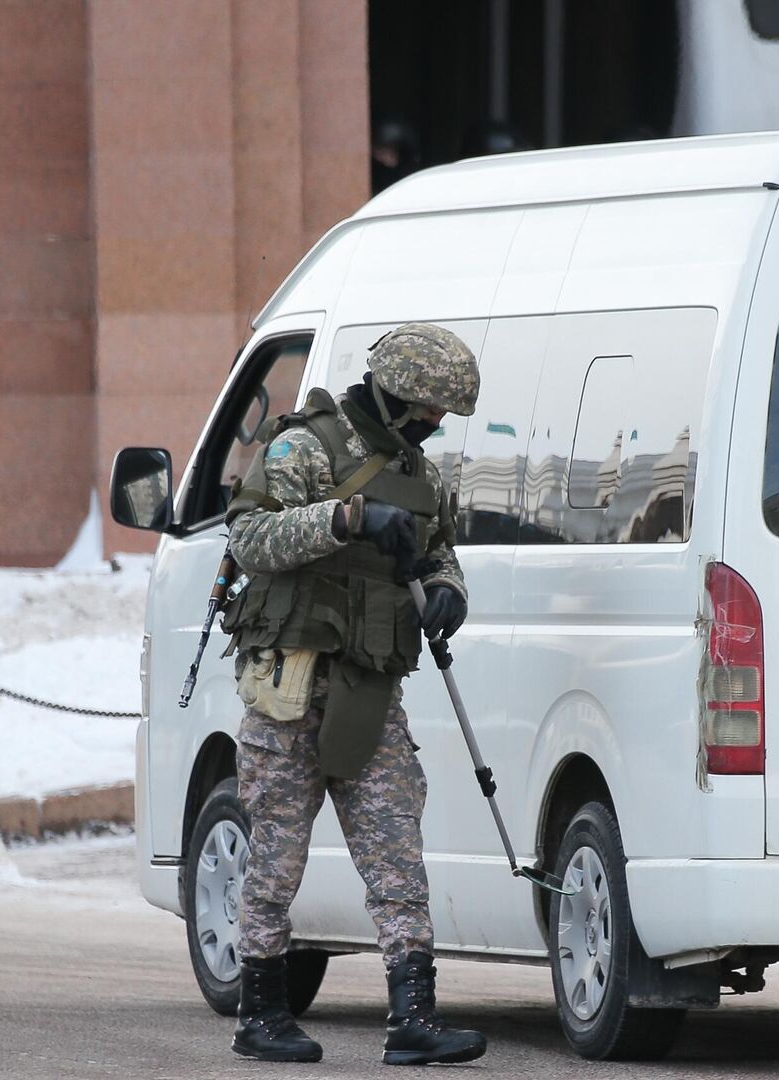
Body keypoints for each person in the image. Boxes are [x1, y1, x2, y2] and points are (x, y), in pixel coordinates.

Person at [221, 323, 486, 1066]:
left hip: (371, 686)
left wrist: (445, 594)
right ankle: (261, 1013)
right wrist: (346, 517)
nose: (436, 425)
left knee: (396, 853)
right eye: (430, 410)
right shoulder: (304, 448)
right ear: (398, 396)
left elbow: (441, 556)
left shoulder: (424, 478)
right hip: (292, 684)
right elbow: (248, 540)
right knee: (275, 857)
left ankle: (414, 1020)